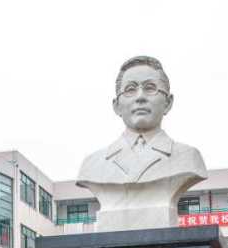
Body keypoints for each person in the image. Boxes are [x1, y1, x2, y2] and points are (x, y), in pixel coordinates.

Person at [76, 55, 208, 231]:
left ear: (168, 103)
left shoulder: (188, 158)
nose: (140, 97)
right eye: (130, 89)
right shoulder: (93, 165)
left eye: (150, 88)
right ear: (116, 105)